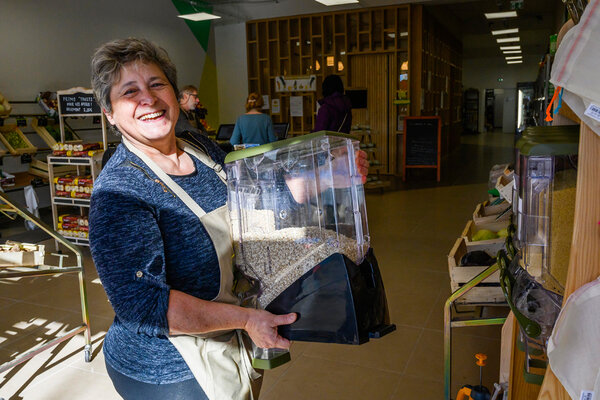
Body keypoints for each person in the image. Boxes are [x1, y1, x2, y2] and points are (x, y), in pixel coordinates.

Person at [88, 37, 301, 400]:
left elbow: (259, 196)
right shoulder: (120, 192)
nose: (148, 99)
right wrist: (248, 320)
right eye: (129, 92)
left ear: (174, 93)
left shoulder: (201, 147)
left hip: (231, 336)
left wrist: (331, 178)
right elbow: (144, 306)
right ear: (109, 112)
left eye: (157, 84)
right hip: (169, 369)